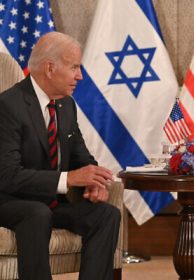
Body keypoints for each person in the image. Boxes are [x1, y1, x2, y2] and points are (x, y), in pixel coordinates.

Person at [0, 32, 121, 280]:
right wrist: (69, 179)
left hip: (51, 202)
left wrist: (93, 181)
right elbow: (8, 176)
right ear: (50, 68)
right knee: (36, 213)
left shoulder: (67, 105)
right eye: (74, 67)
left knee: (106, 214)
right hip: (10, 201)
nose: (80, 76)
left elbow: (81, 157)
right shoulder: (9, 105)